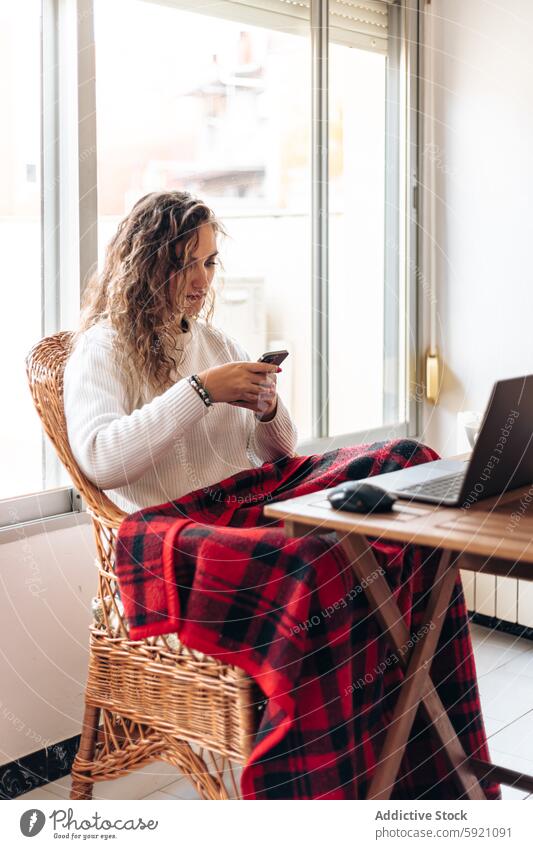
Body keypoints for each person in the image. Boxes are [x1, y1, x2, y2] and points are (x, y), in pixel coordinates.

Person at [63, 190, 298, 514]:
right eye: (187, 265)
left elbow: (278, 458)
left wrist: (268, 410)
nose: (203, 280)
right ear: (146, 266)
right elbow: (102, 462)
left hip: (245, 513)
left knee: (373, 467)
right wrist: (201, 391)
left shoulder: (221, 346)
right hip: (178, 532)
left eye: (210, 262)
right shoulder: (102, 348)